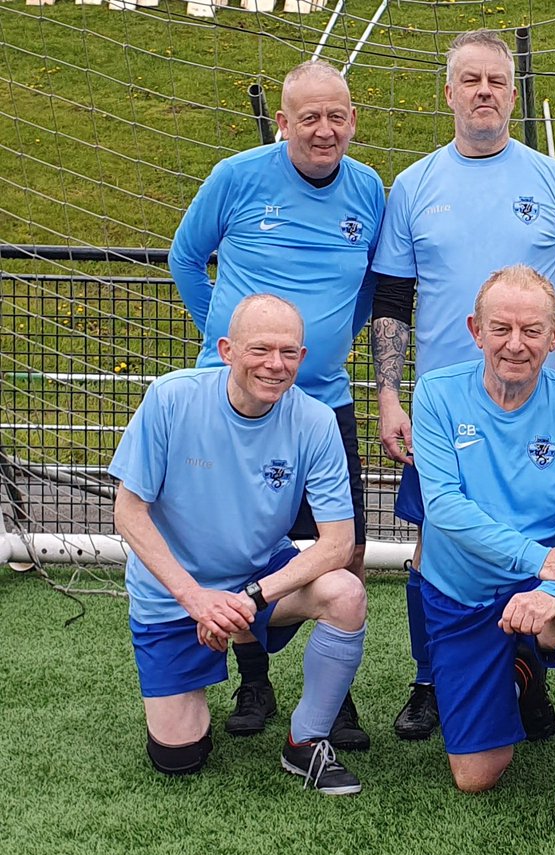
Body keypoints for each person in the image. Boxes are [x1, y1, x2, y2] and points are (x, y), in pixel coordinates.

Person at [371, 29, 555, 742]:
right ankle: (431, 677)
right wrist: (388, 394)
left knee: (545, 532)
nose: (482, 92)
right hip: (448, 411)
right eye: (468, 80)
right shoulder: (414, 184)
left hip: (534, 401)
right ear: (447, 93)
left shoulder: (552, 179)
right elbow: (391, 298)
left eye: (495, 82)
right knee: (432, 540)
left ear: (512, 92)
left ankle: (526, 670)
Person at [169, 60, 384, 750]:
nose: (325, 130)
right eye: (309, 117)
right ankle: (253, 677)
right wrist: (226, 345)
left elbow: (373, 288)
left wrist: (327, 348)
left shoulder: (369, 189)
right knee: (239, 545)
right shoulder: (237, 176)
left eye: (337, 116)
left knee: (339, 552)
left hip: (325, 401)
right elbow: (184, 256)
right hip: (236, 399)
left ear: (353, 119)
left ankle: (336, 690)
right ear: (284, 122)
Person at [110, 295, 367, 795]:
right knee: (179, 756)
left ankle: (306, 741)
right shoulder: (170, 398)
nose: (276, 365)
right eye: (261, 349)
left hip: (255, 578)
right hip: (175, 593)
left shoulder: (315, 421)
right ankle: (201, 682)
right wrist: (197, 600)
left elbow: (339, 544)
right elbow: (128, 512)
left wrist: (248, 600)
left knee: (346, 593)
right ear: (227, 350)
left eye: (289, 353)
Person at [411, 265, 555, 850]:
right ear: (476, 331)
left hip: (537, 587)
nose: (516, 344)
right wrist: (540, 559)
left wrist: (549, 589)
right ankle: (522, 672)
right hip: (462, 595)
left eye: (533, 331)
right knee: (475, 777)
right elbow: (444, 508)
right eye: (501, 328)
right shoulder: (436, 393)